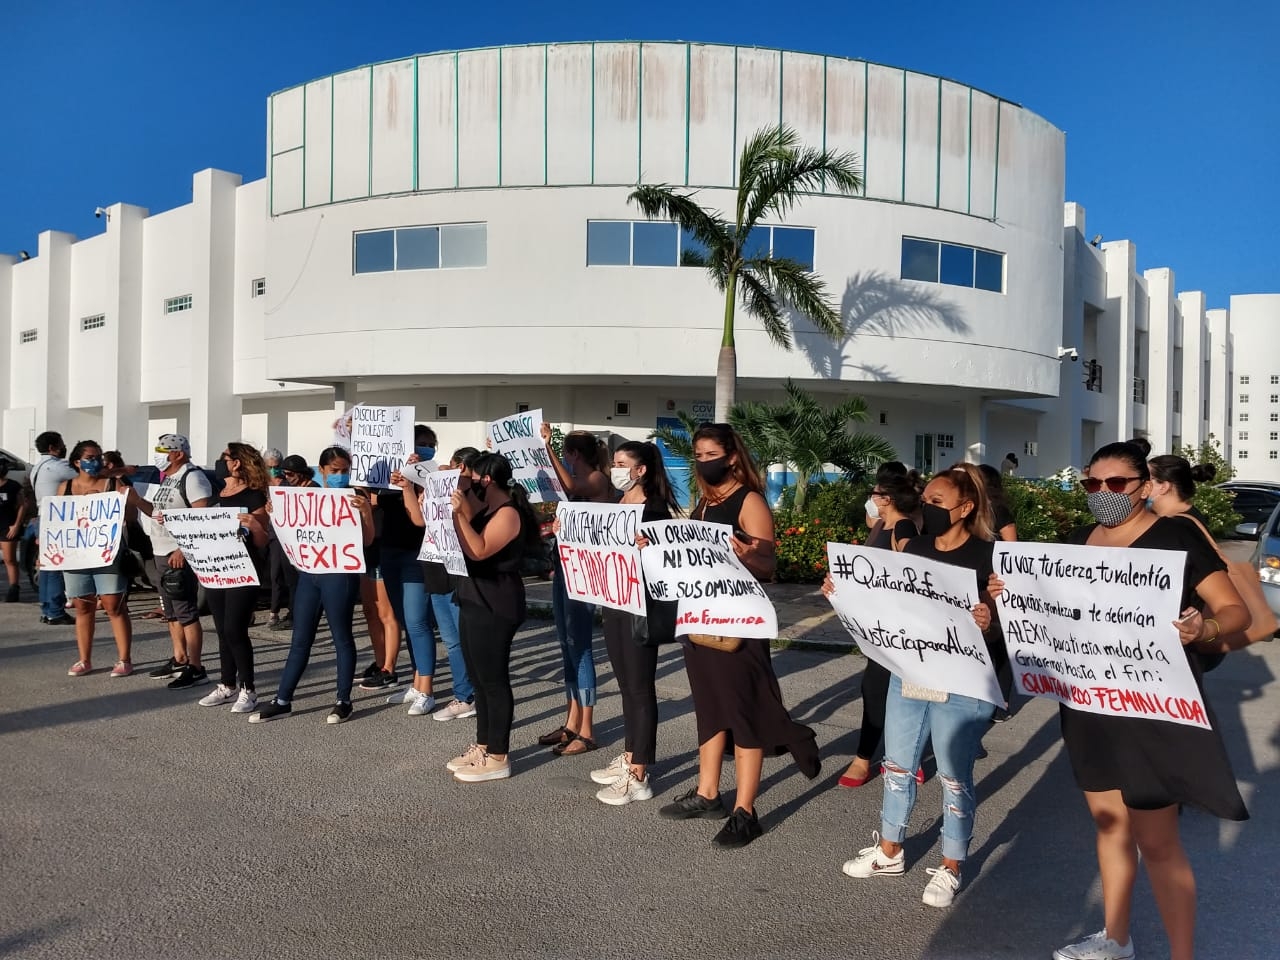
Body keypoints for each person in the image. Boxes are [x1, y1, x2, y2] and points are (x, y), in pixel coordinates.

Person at [1051, 442, 1248, 960]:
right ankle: (1116, 937)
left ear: (1143, 486)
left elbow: (1235, 612)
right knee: (1109, 826)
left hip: (1153, 705)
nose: (1103, 494)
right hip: (1088, 704)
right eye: (1092, 485)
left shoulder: (1176, 536)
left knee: (1157, 841)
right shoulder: (1077, 541)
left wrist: (1202, 627)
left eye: (1115, 484)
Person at [837, 464, 1002, 908]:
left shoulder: (990, 556)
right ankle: (890, 849)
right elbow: (886, 601)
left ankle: (951, 865)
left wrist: (989, 621)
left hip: (964, 683)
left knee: (953, 774)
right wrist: (843, 590)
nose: (927, 507)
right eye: (926, 499)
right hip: (911, 673)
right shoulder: (916, 548)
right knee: (897, 763)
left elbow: (1008, 622)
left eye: (938, 502)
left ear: (965, 508)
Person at [654, 423, 819, 848]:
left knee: (743, 714)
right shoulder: (704, 503)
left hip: (739, 627)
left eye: (711, 454)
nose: (703, 461)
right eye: (698, 454)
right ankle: (708, 793)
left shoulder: (749, 500)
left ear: (730, 456)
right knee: (709, 709)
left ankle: (746, 811)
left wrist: (751, 554)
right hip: (701, 620)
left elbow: (768, 565)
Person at [249, 447, 376, 725]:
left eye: (345, 471)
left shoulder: (355, 498)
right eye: (335, 471)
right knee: (300, 640)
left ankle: (343, 700)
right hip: (310, 574)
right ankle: (283, 699)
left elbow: (366, 541)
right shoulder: (306, 496)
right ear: (322, 470)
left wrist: (365, 513)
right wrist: (275, 513)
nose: (341, 476)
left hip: (339, 574)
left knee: (341, 637)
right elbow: (291, 533)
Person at [591, 441, 681, 805]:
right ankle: (630, 755)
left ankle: (639, 773)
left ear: (641, 470)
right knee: (626, 685)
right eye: (614, 462)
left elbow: (668, 560)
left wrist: (650, 548)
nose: (616, 469)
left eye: (622, 463)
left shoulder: (655, 510)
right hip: (614, 603)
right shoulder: (618, 504)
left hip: (641, 608)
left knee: (640, 688)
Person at [446, 452, 540, 782]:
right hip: (473, 598)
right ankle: (484, 744)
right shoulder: (483, 508)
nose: (465, 482)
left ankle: (499, 755)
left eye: (469, 476)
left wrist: (459, 516)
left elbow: (479, 549)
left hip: (496, 604)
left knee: (494, 681)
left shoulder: (508, 514)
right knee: (479, 679)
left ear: (486, 479)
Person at [838, 464, 923, 788]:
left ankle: (873, 758)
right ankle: (892, 756)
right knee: (878, 689)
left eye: (875, 493)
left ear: (886, 498)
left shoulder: (902, 529)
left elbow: (910, 576)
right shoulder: (881, 524)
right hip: (878, 625)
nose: (870, 498)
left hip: (897, 628)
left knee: (883, 690)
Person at [538, 426, 611, 755]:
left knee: (580, 649)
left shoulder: (595, 479)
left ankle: (587, 729)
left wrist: (546, 445)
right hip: (565, 566)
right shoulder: (577, 484)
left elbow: (569, 484)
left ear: (573, 455)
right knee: (566, 646)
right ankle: (571, 721)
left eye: (565, 455)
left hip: (585, 572)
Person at [393, 443, 477, 719]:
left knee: (460, 637)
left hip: (454, 566)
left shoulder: (469, 495)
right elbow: (419, 520)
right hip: (432, 564)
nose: (448, 469)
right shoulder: (435, 487)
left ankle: (466, 695)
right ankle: (463, 694)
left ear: (463, 468)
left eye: (455, 465)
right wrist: (409, 487)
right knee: (451, 639)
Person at [359, 424, 442, 699]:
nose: (426, 447)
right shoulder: (388, 478)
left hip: (418, 554)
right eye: (420, 443)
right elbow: (369, 497)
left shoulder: (434, 476)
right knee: (407, 622)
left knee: (418, 622)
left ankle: (426, 690)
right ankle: (417, 683)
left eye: (430, 443)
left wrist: (417, 476)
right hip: (390, 551)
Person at [59, 441, 154, 677]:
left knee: (114, 605)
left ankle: (124, 659)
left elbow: (130, 518)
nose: (96, 461)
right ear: (77, 461)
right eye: (90, 457)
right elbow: (57, 522)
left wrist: (128, 500)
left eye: (99, 457)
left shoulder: (113, 484)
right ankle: (84, 659)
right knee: (83, 606)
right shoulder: (65, 487)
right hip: (76, 556)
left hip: (106, 553)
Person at [197, 443, 270, 714]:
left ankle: (248, 688)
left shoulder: (254, 497)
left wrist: (254, 525)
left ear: (236, 463)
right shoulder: (218, 496)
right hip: (217, 570)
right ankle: (227, 684)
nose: (220, 462)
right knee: (221, 629)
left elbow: (262, 541)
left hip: (243, 569)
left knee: (235, 629)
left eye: (223, 457)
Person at [143, 434, 215, 689]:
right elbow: (156, 512)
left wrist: (183, 550)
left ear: (179, 453)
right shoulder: (168, 478)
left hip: (178, 553)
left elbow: (201, 519)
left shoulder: (192, 477)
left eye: (163, 450)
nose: (159, 454)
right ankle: (179, 657)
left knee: (186, 611)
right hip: (160, 550)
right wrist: (133, 499)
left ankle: (196, 667)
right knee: (170, 610)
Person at [30, 430, 77, 625]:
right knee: (57, 566)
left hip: (44, 517)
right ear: (53, 448)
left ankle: (47, 609)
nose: (63, 447)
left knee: (48, 566)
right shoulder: (58, 466)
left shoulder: (38, 467)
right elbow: (85, 475)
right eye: (61, 443)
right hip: (57, 519)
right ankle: (56, 610)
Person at [266, 454, 315, 630]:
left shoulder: (314, 489)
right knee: (291, 580)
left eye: (290, 474)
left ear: (301, 473)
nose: (287, 477)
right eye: (284, 473)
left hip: (307, 543)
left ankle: (299, 615)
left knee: (305, 581)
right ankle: (294, 613)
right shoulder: (286, 487)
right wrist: (271, 508)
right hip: (288, 542)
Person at [1147, 456, 1215, 524]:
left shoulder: (1172, 526)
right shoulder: (1189, 517)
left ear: (1164, 487)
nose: (1140, 482)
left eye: (1145, 478)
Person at [0, 459, 28, 602]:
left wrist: (17, 524)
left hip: (7, 526)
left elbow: (23, 505)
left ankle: (14, 587)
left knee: (9, 559)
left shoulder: (13, 486)